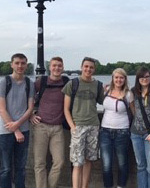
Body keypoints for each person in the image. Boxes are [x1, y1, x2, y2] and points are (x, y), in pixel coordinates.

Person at [62, 57, 104, 188]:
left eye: (91, 67)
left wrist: (109, 90)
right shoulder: (72, 84)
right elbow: (66, 108)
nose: (88, 69)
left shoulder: (98, 85)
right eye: (86, 66)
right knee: (77, 162)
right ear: (81, 67)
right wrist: (72, 127)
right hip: (78, 126)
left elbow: (103, 102)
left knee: (88, 161)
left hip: (93, 125)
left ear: (94, 69)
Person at [30, 57, 69, 188]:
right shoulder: (41, 82)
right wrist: (30, 114)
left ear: (63, 67)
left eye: (59, 66)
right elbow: (27, 96)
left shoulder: (66, 82)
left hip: (57, 127)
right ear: (49, 67)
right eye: (54, 65)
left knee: (59, 161)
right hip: (41, 126)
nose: (57, 68)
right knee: (39, 163)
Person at [0, 53, 34, 188]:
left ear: (26, 65)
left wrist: (18, 127)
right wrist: (16, 130)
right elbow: (2, 109)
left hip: (23, 131)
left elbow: (30, 108)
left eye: (23, 63)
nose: (20, 66)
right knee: (5, 169)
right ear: (12, 64)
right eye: (17, 63)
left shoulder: (29, 83)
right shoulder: (4, 82)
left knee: (21, 168)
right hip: (5, 131)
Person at [99, 68, 134, 188]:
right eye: (116, 77)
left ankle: (121, 186)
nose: (119, 80)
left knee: (122, 163)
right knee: (106, 165)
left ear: (125, 79)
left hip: (122, 132)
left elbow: (134, 113)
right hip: (105, 131)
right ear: (113, 78)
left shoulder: (128, 94)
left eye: (121, 77)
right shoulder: (107, 90)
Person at [130, 66, 150, 188]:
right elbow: (132, 107)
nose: (144, 79)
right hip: (135, 133)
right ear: (137, 78)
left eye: (146, 76)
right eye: (141, 77)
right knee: (140, 166)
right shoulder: (134, 91)